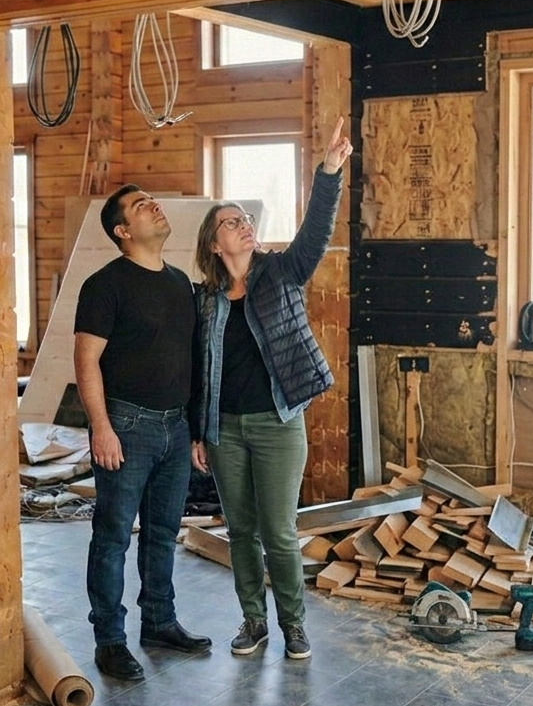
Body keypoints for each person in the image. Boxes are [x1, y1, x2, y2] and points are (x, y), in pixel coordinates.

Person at [191, 117, 353, 660]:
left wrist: (327, 173)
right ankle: (252, 622)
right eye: (231, 223)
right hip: (225, 430)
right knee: (241, 531)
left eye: (245, 220)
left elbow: (315, 234)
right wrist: (199, 431)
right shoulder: (206, 299)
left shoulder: (281, 272)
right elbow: (199, 369)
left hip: (279, 421)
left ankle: (295, 625)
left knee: (280, 532)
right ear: (214, 244)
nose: (244, 226)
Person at [74, 185, 212, 681]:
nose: (154, 205)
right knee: (112, 537)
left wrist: (195, 431)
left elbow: (191, 363)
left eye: (151, 199)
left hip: (175, 428)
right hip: (127, 427)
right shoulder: (104, 285)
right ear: (123, 231)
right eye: (140, 205)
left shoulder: (179, 282)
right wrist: (101, 429)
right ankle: (110, 640)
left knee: (162, 533)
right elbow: (86, 361)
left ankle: (159, 622)